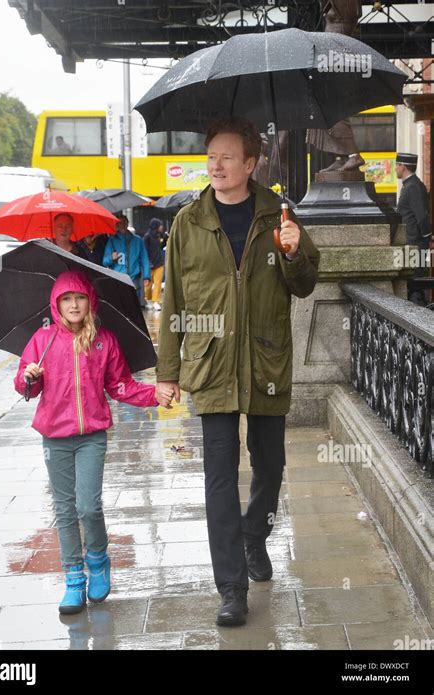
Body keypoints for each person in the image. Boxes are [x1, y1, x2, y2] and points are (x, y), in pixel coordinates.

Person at [155, 116, 320, 627]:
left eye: (228, 157)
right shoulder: (189, 221)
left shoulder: (279, 215)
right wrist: (167, 370)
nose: (216, 165)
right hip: (211, 365)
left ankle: (255, 534)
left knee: (270, 467)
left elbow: (307, 283)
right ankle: (231, 587)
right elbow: (174, 300)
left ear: (252, 164)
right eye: (212, 156)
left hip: (265, 360)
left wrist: (293, 254)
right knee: (218, 479)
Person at [14, 270, 173, 615]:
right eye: (66, 299)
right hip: (54, 438)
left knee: (89, 506)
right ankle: (74, 578)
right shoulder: (43, 340)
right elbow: (26, 388)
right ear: (56, 305)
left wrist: (154, 395)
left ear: (90, 302)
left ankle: (99, 561)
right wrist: (29, 377)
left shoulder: (104, 341)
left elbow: (121, 386)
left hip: (92, 437)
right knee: (65, 510)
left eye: (80, 298)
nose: (73, 304)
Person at [306, 0, 365, 174]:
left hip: (335, 52)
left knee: (331, 107)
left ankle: (353, 154)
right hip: (329, 50)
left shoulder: (347, 4)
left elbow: (346, 26)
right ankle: (342, 156)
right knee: (325, 106)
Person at [396, 152, 432, 306]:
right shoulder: (410, 185)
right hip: (411, 242)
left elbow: (422, 216)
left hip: (416, 243)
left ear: (402, 166)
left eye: (396, 166)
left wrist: (428, 236)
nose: (395, 169)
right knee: (411, 281)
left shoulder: (413, 187)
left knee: (415, 283)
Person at [102, 215, 151, 308]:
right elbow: (105, 262)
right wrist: (111, 258)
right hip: (118, 280)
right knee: (120, 307)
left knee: (133, 307)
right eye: (119, 223)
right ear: (116, 225)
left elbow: (144, 258)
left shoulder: (138, 240)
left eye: (124, 222)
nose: (122, 225)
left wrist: (147, 276)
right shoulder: (112, 240)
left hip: (134, 279)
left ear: (127, 223)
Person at [143, 217, 165, 310]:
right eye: (160, 225)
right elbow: (144, 250)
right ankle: (147, 298)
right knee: (148, 285)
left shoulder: (159, 235)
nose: (162, 227)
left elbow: (160, 246)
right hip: (150, 264)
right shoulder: (147, 237)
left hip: (159, 263)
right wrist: (148, 262)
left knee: (158, 283)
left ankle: (156, 301)